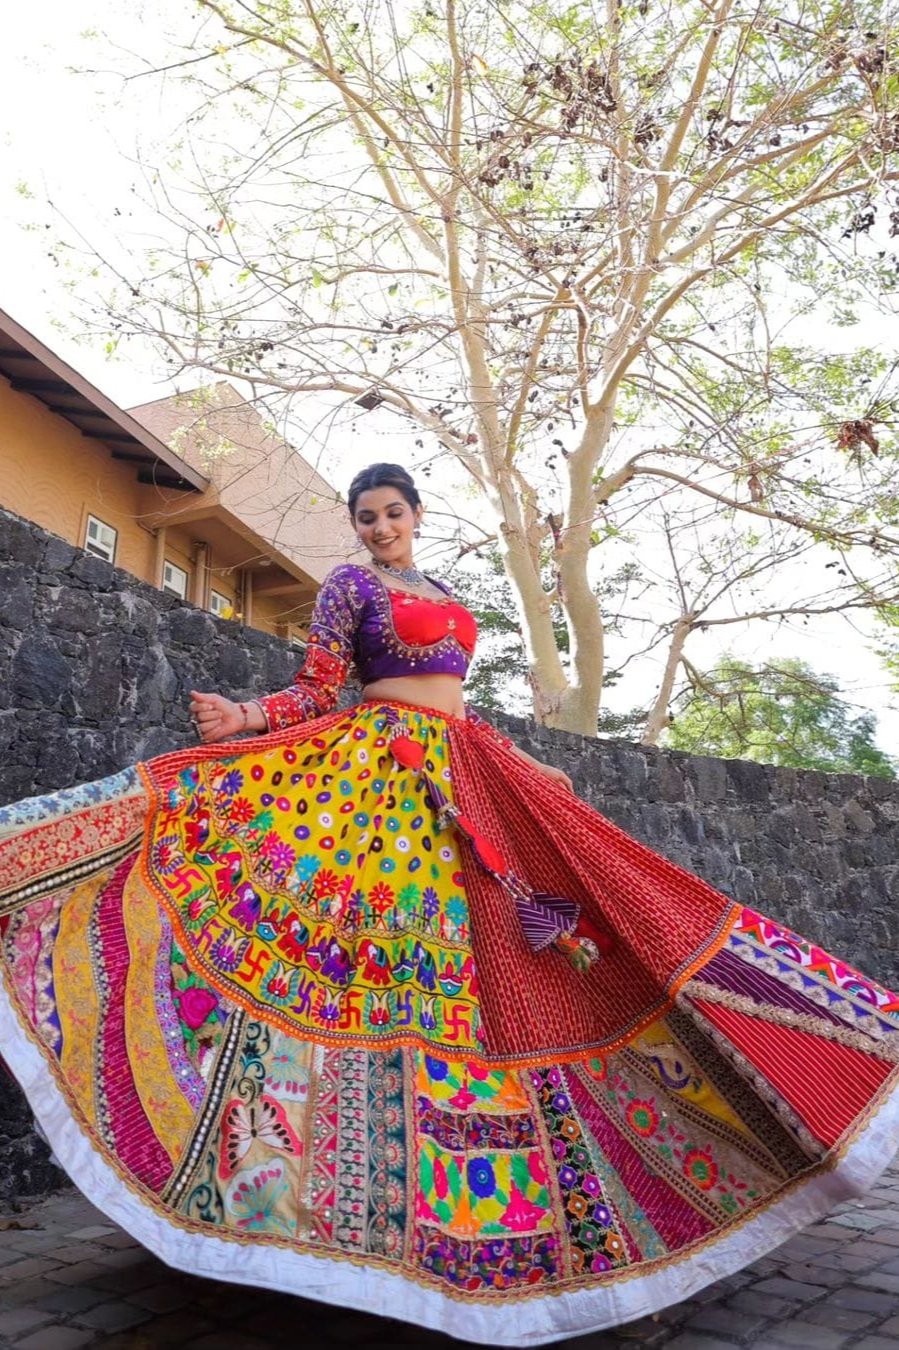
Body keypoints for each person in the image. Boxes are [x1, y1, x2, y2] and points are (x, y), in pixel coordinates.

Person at [1, 461, 898, 1347]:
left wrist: (517, 758)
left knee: (566, 926)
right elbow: (322, 689)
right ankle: (326, 1214)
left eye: (391, 513)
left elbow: (455, 704)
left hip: (461, 766)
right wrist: (249, 719)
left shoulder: (436, 587)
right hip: (384, 778)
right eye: (365, 516)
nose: (379, 527)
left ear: (416, 514)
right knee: (379, 966)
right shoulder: (351, 587)